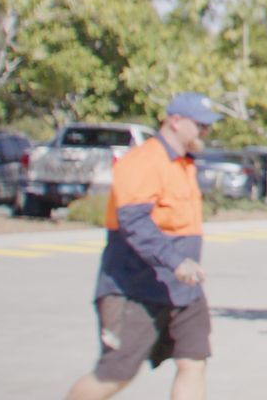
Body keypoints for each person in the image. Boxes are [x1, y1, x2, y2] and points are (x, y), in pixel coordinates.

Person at [66, 91, 221, 400]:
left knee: (193, 362)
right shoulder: (143, 160)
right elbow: (134, 223)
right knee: (114, 374)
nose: (206, 132)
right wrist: (176, 262)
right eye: (200, 125)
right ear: (175, 121)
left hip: (183, 290)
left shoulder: (182, 164)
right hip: (136, 289)